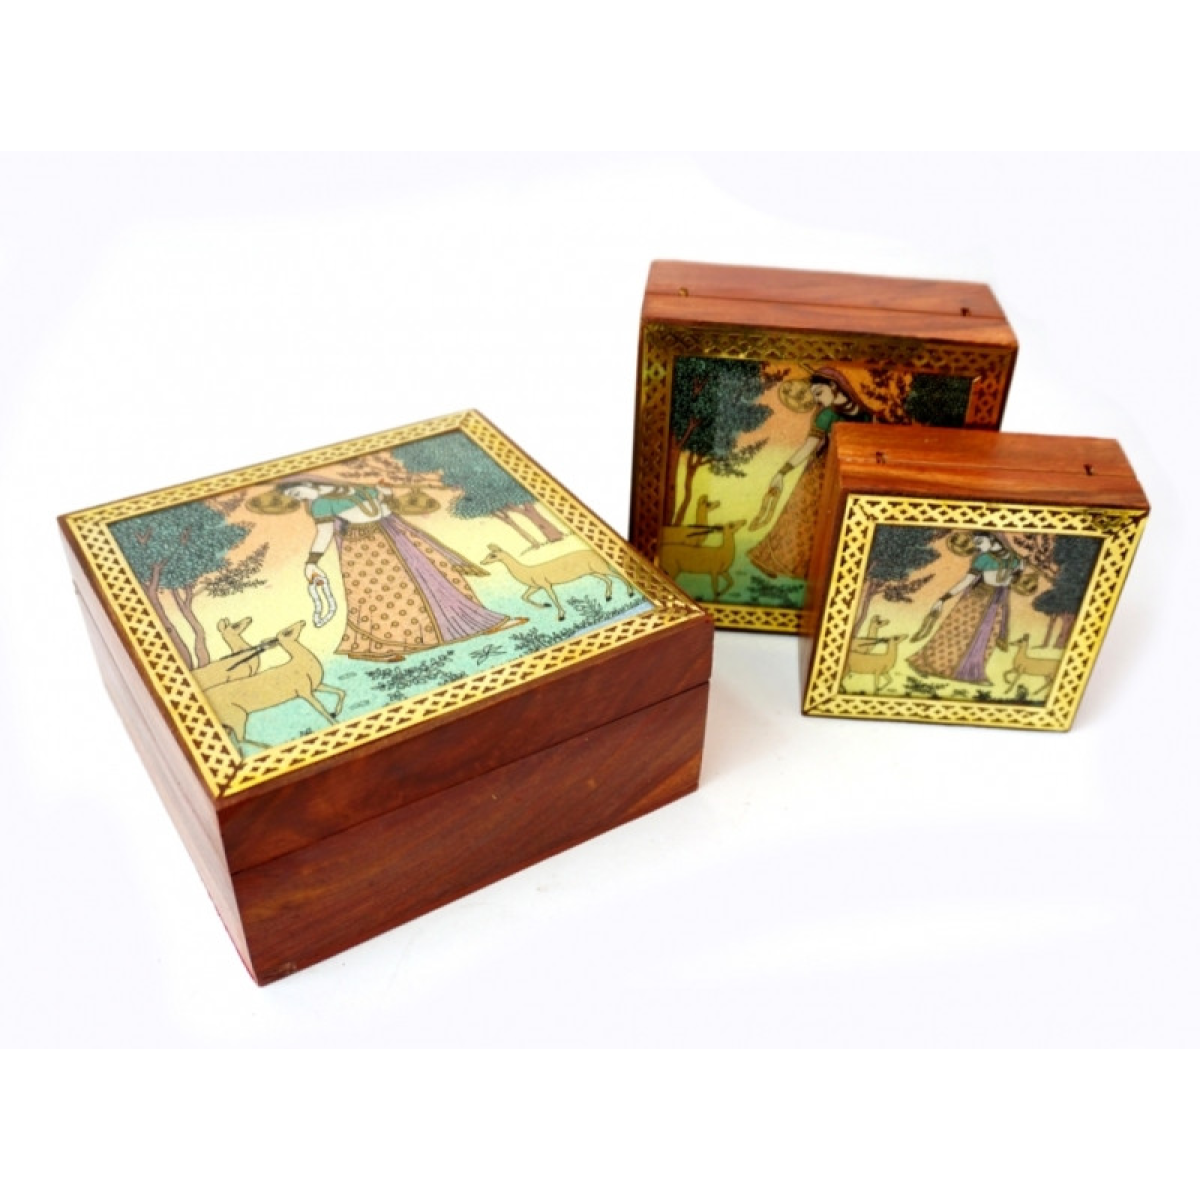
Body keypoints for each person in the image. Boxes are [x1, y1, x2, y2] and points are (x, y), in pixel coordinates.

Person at [275, 477, 516, 662]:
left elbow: (385, 505)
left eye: (297, 492)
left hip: (393, 535)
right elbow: (325, 532)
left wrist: (387, 492)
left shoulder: (356, 488)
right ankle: (376, 648)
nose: (300, 498)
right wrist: (312, 561)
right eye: (295, 497)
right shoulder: (320, 504)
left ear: (307, 483)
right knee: (381, 597)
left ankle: (478, 621)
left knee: (435, 577)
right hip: (363, 548)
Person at [747, 366, 872, 580]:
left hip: (853, 474)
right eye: (815, 396)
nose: (818, 400)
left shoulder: (866, 414)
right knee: (803, 517)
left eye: (819, 393)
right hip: (821, 474)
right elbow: (808, 447)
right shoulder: (827, 415)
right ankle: (775, 560)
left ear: (833, 386)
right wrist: (782, 472)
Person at [907, 531, 1025, 685]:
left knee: (986, 638)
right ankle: (924, 664)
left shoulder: (1015, 559)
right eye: (975, 543)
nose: (977, 546)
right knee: (954, 634)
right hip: (975, 601)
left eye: (979, 542)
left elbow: (1017, 577)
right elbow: (966, 581)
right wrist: (944, 598)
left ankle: (973, 673)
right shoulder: (983, 558)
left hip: (996, 602)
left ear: (992, 538)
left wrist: (1019, 571)